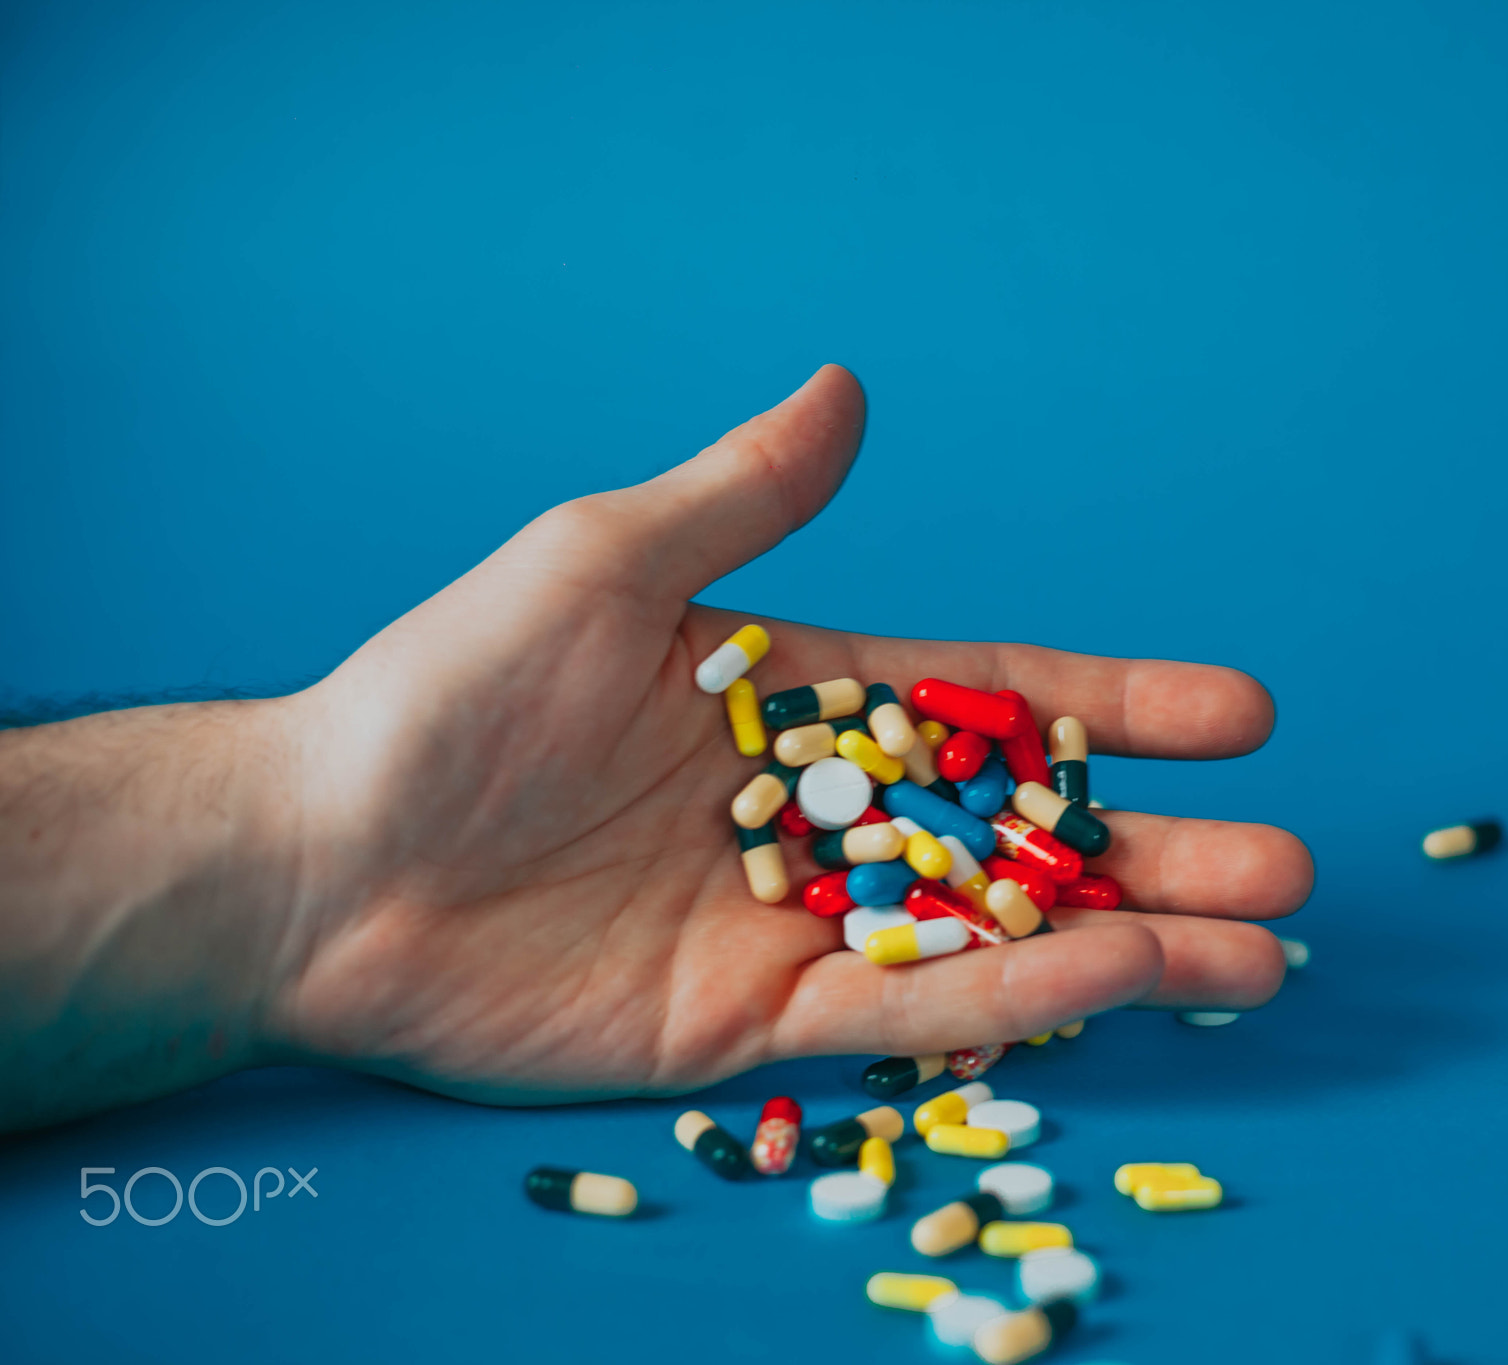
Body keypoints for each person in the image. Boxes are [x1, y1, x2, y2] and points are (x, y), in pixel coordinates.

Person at [0, 366, 1314, 1134]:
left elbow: (927, 837)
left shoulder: (919, 819)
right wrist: (309, 851)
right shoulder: (868, 821)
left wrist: (296, 877)